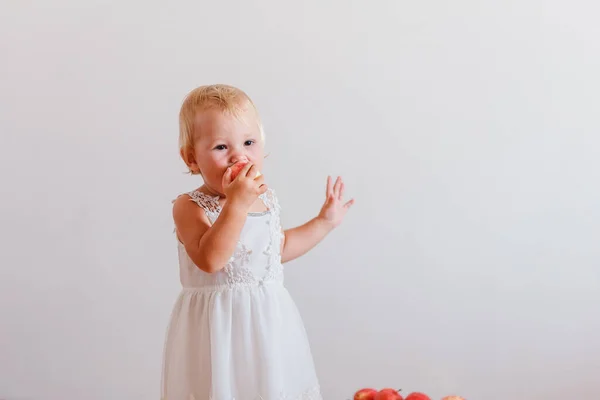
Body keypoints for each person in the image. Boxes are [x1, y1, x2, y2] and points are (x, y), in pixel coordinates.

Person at [161, 84, 354, 400]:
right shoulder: (189, 206)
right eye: (221, 147)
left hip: (266, 324)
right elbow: (211, 260)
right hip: (218, 331)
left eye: (248, 142)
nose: (239, 155)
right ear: (192, 158)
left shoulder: (264, 200)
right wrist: (236, 203)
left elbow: (276, 251)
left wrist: (324, 223)